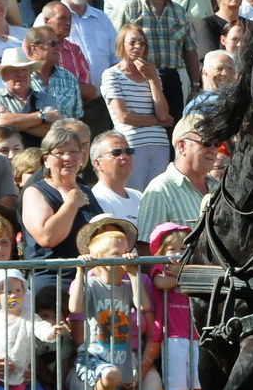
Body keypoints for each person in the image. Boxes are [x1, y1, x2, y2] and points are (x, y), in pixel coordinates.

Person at [67, 216, 157, 390]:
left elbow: (142, 306)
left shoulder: (129, 286)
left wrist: (132, 272)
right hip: (94, 361)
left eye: (128, 250)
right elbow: (74, 307)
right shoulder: (93, 285)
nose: (127, 255)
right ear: (102, 259)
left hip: (121, 360)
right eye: (118, 253)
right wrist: (80, 273)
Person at [147, 222, 202, 390]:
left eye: (182, 249)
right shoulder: (159, 268)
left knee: (198, 378)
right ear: (161, 251)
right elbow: (162, 283)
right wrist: (181, 276)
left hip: (195, 333)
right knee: (176, 380)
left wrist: (185, 273)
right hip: (173, 335)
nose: (178, 254)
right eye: (172, 249)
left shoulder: (192, 269)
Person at [101, 24, 172, 190]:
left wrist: (154, 79)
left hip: (159, 143)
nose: (138, 47)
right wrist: (156, 121)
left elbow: (163, 114)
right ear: (122, 44)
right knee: (135, 192)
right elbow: (124, 117)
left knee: (158, 195)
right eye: (132, 42)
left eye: (142, 43)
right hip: (132, 144)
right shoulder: (112, 75)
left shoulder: (151, 75)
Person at [137, 114, 215, 244]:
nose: (213, 150)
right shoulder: (161, 190)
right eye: (206, 143)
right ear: (182, 146)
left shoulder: (220, 188)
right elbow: (147, 249)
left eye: (217, 143)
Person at [0, 46, 61, 149]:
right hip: (6, 159)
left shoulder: (47, 99)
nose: (20, 74)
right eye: (14, 70)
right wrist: (42, 116)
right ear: (3, 75)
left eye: (24, 70)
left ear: (30, 73)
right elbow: (0, 124)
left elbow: (50, 130)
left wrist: (11, 119)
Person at [182, 50, 237, 117]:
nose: (225, 73)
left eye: (230, 69)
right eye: (219, 69)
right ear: (205, 73)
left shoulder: (241, 101)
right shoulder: (199, 106)